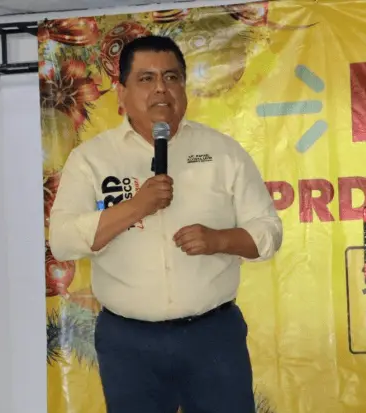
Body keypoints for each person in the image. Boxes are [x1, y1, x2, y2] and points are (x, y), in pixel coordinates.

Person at [48, 35, 283, 413]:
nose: (161, 88)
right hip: (128, 342)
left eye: (171, 77)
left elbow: (269, 231)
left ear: (184, 89)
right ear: (121, 93)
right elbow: (61, 241)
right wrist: (136, 207)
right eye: (146, 78)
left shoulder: (223, 152)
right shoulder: (92, 159)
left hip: (212, 336)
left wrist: (219, 240)